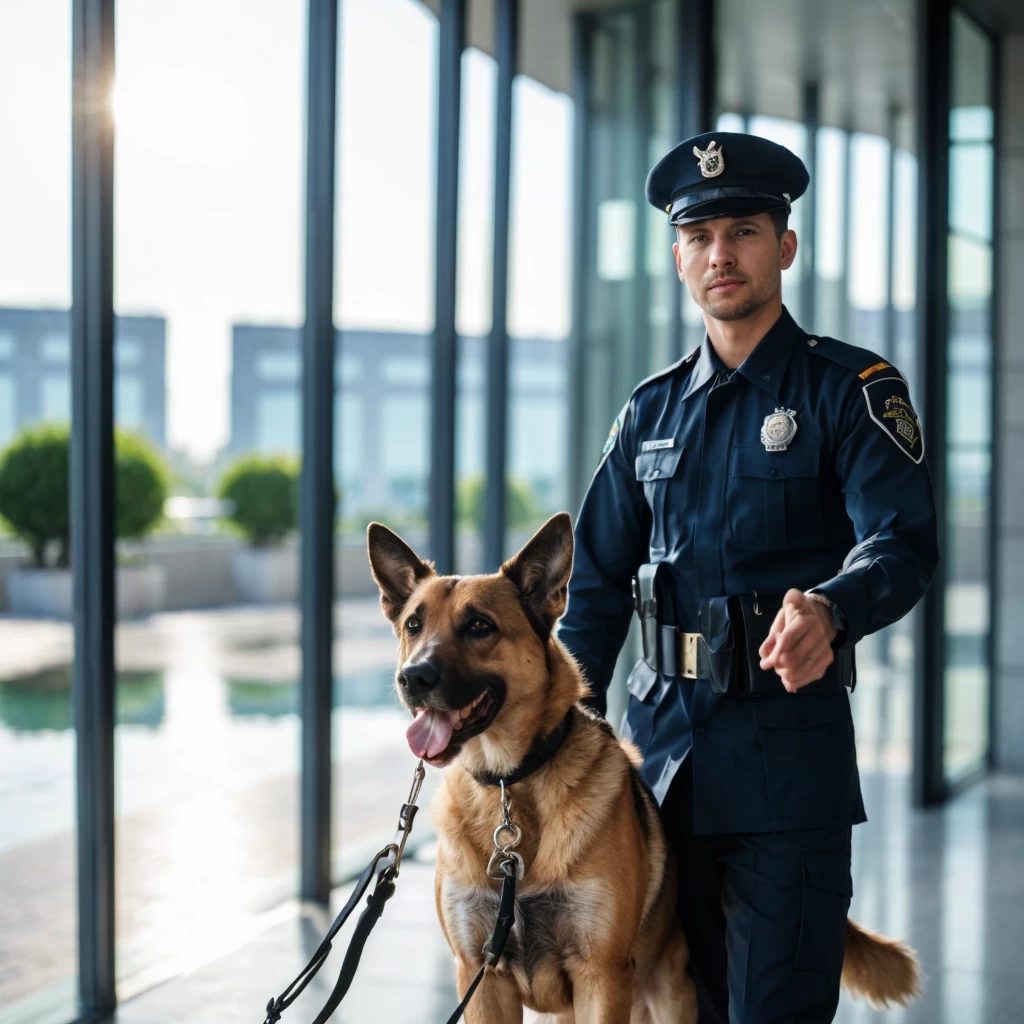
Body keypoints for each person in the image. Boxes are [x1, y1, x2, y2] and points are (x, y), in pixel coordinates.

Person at [556, 131, 939, 1023]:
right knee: (667, 1007)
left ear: (785, 246)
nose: (720, 254)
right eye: (700, 236)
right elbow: (597, 589)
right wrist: (565, 735)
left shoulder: (848, 390)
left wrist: (832, 610)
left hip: (785, 768)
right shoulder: (647, 412)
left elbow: (902, 544)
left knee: (772, 1009)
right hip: (653, 776)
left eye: (743, 232)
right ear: (679, 256)